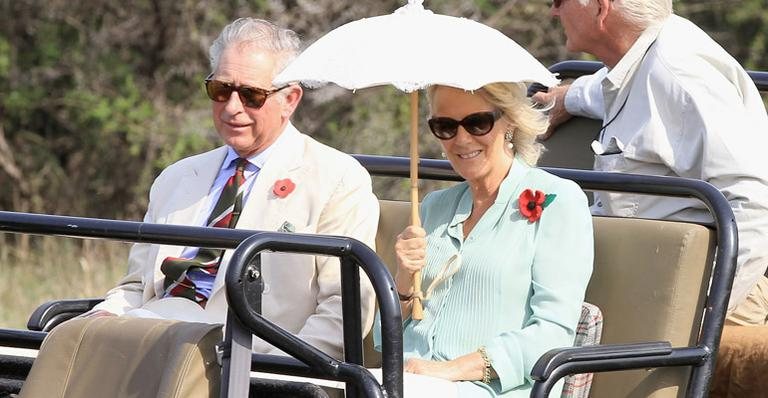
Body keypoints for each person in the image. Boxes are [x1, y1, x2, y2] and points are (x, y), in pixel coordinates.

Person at [84, 18, 380, 359]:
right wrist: (105, 316)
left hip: (245, 361)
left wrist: (272, 375)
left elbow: (345, 311)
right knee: (57, 347)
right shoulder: (177, 177)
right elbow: (136, 286)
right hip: (150, 340)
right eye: (221, 90)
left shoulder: (336, 179)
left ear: (290, 99)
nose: (232, 107)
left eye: (252, 95)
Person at [532, 0, 768, 324]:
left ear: (601, 9)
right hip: (644, 287)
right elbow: (618, 90)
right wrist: (568, 98)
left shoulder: (679, 71)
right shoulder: (643, 58)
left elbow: (754, 205)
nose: (553, 12)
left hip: (696, 299)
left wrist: (697, 319)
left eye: (559, 1)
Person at [376, 82, 594, 397]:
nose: (462, 139)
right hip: (406, 383)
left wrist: (449, 371)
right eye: (445, 126)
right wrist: (405, 282)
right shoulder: (433, 207)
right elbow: (385, 337)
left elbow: (553, 333)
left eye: (478, 123)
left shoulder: (557, 200)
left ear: (510, 121)